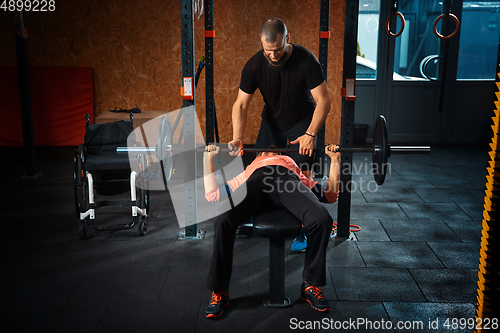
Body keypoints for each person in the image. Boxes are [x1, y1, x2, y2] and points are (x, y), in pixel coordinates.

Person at [203, 144, 341, 318]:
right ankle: (220, 290)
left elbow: (330, 195)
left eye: (275, 150)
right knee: (223, 219)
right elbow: (213, 195)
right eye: (265, 150)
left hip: (288, 181)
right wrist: (207, 159)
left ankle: (310, 285)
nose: (270, 151)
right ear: (258, 155)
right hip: (256, 183)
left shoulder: (292, 166)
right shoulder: (249, 170)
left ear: (283, 155)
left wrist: (335, 160)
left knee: (322, 219)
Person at [228, 18, 332, 181]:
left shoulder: (306, 60)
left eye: (277, 49)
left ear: (287, 39)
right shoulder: (254, 66)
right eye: (268, 51)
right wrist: (237, 138)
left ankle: (305, 202)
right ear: (261, 41)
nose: (273, 55)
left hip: (301, 122)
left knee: (302, 174)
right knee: (260, 170)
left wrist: (310, 134)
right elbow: (241, 105)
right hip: (272, 123)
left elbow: (324, 101)